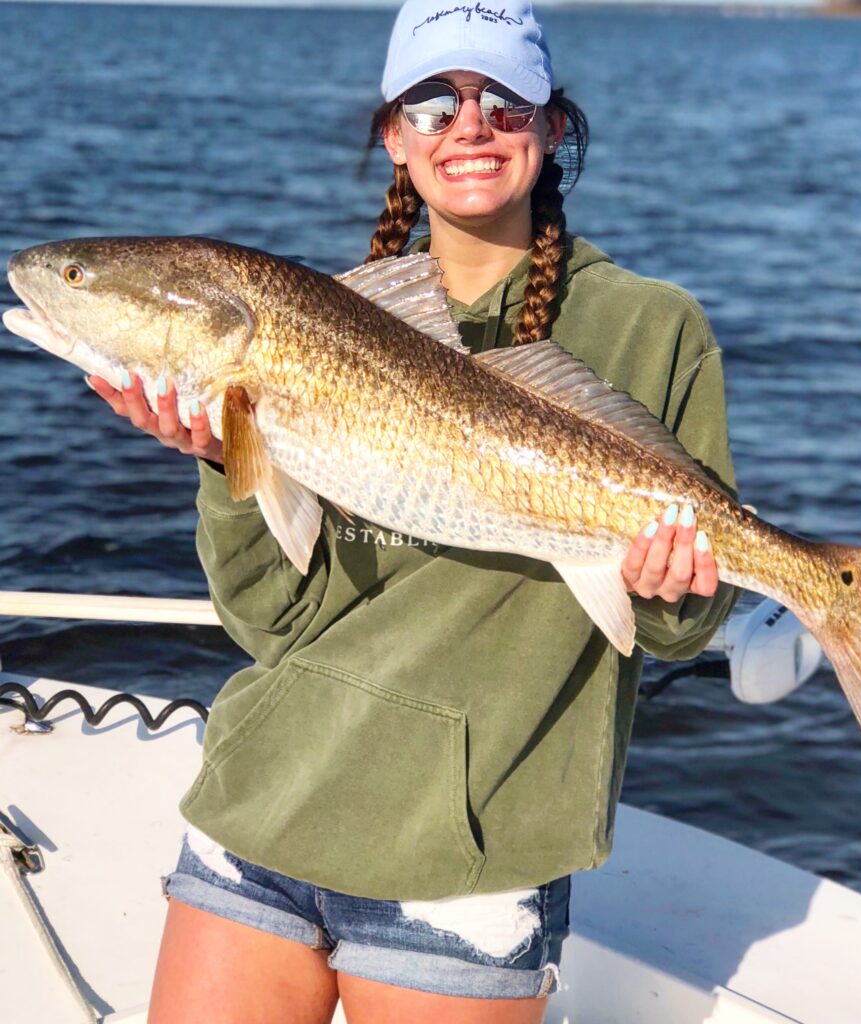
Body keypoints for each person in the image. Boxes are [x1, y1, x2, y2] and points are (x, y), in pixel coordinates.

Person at [87, 2, 740, 1021]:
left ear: (553, 124)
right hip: (262, 811)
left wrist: (671, 591)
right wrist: (225, 463)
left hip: (465, 863)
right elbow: (270, 623)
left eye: (502, 100)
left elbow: (678, 624)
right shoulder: (326, 316)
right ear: (394, 134)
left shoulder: (649, 327)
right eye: (433, 102)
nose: (467, 124)